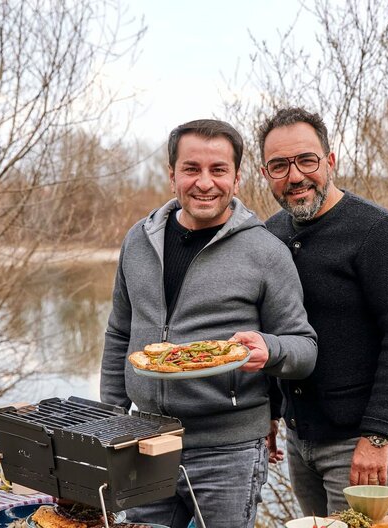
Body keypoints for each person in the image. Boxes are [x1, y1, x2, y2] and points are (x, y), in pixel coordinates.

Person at [100, 118, 318, 528]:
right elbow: (119, 334)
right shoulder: (138, 240)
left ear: (237, 179)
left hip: (228, 451)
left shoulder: (266, 252)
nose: (205, 183)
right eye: (191, 169)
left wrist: (270, 350)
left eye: (218, 170)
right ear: (172, 176)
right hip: (146, 441)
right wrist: (111, 419)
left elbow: (304, 347)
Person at [258, 107, 388, 516]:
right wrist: (269, 413)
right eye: (279, 165)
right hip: (303, 438)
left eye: (306, 160)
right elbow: (269, 332)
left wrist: (377, 437)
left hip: (363, 441)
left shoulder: (378, 233)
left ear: (330, 161)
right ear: (265, 174)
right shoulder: (269, 235)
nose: (295, 176)